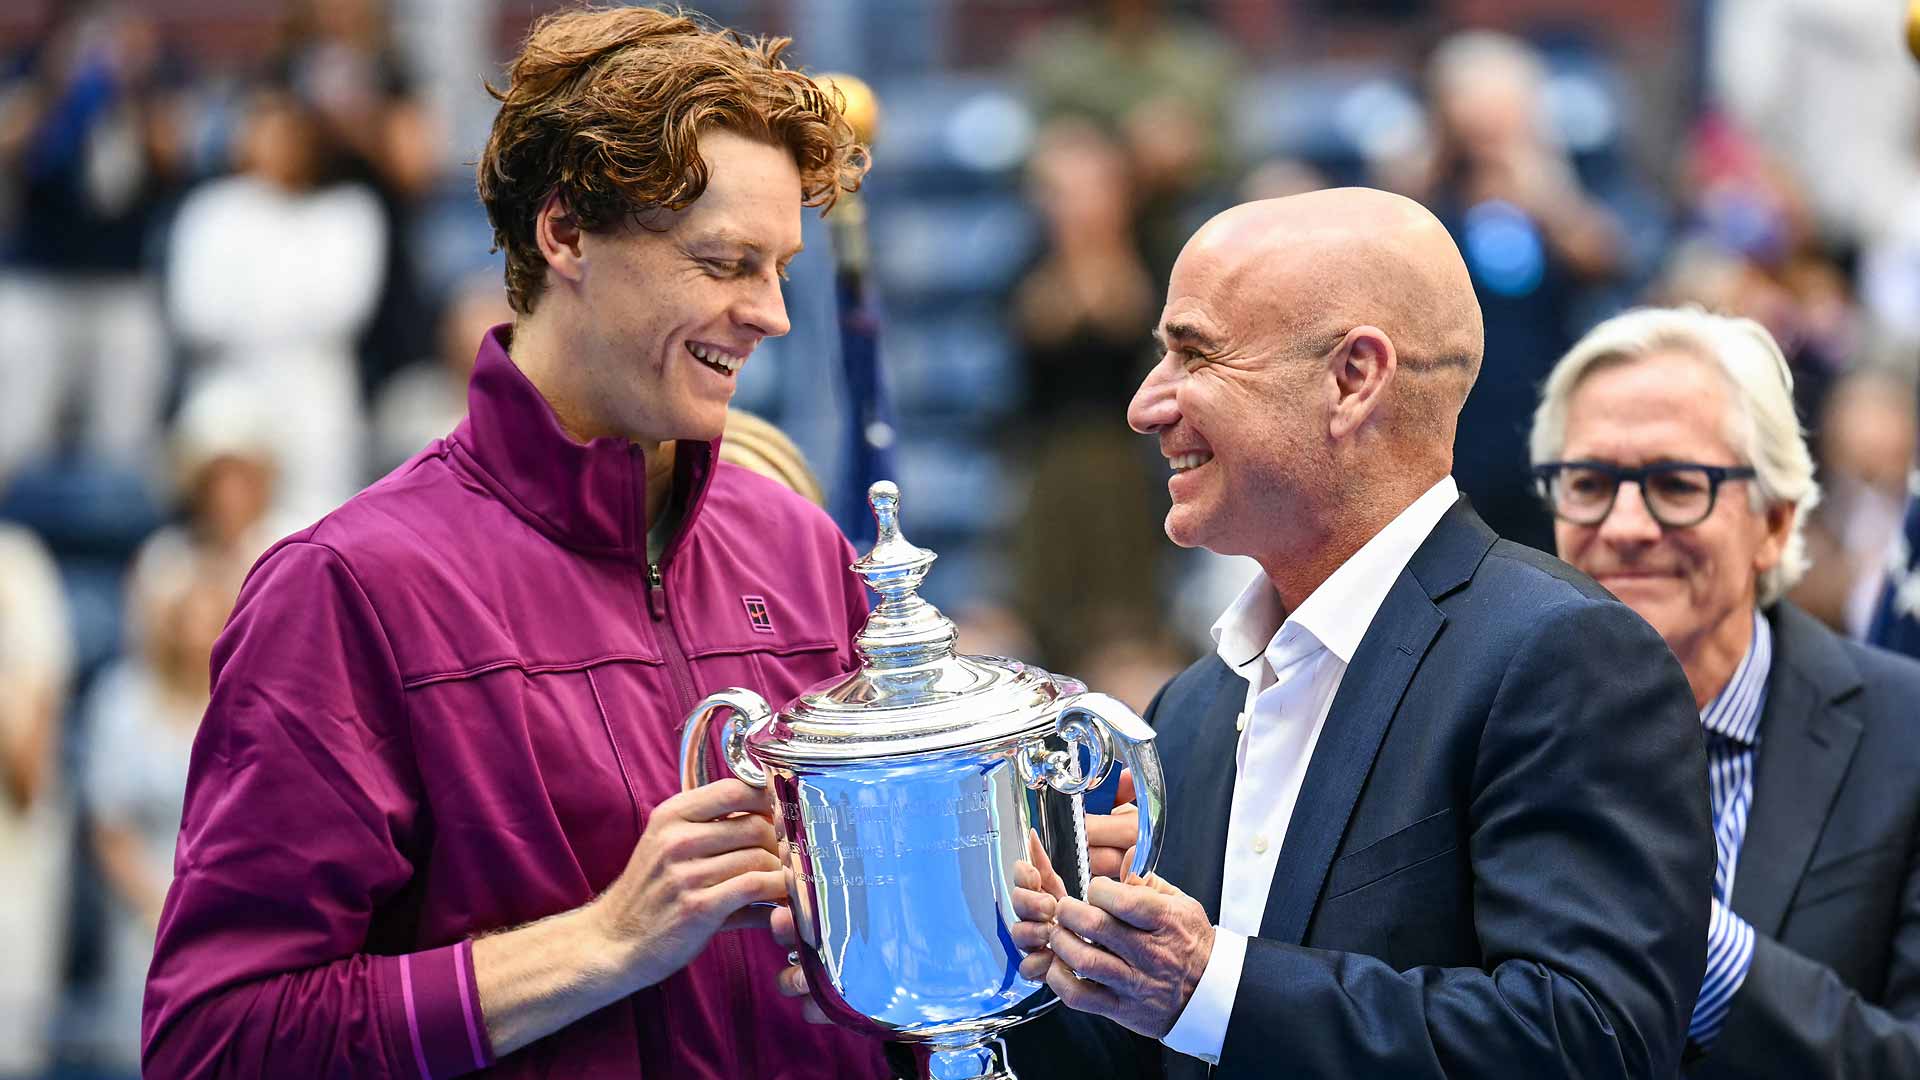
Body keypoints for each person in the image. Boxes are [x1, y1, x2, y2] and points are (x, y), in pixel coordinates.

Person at [142, 8, 885, 1078]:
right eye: (724, 261)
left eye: (780, 269)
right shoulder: (347, 589)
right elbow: (216, 1044)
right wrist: (603, 942)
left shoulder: (803, 550)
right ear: (567, 235)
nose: (770, 314)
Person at [992, 188, 1713, 1078]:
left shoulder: (1562, 659)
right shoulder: (1191, 707)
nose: (1147, 406)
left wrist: (1209, 985)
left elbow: (1590, 1041)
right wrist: (1029, 966)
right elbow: (1159, 1050)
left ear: (1352, 380)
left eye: (1194, 353)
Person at [1530, 306, 1920, 1077]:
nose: (1627, 525)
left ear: (1774, 523)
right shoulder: (1469, 718)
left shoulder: (1906, 733)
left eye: (1678, 484)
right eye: (1589, 482)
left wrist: (1681, 937)